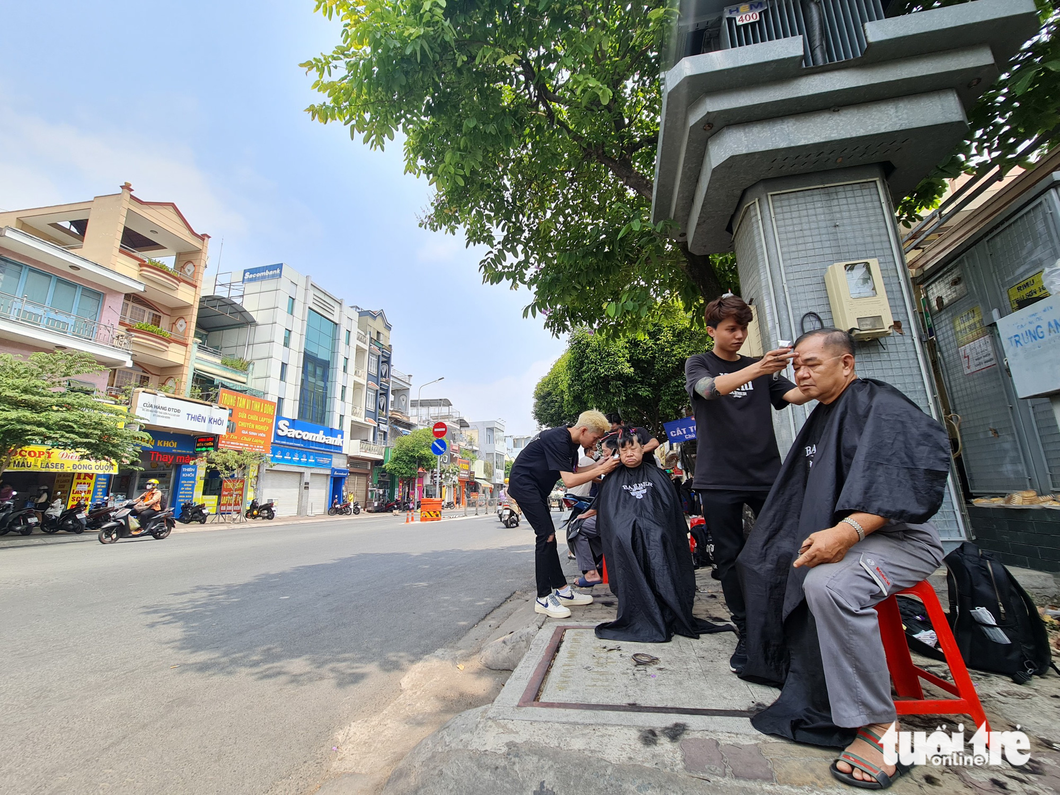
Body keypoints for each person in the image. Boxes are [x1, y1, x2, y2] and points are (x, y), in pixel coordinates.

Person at [735, 329, 951, 790]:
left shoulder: (876, 402)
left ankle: (879, 725)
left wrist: (850, 530)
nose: (802, 372)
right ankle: (798, 674)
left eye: (812, 363)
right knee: (763, 563)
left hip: (902, 540)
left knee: (826, 585)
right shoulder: (823, 415)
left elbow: (911, 470)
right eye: (797, 365)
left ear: (847, 364)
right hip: (853, 542)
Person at [684, 294, 810, 673]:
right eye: (731, 329)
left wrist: (819, 373)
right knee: (729, 556)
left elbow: (794, 395)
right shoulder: (699, 363)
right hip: (718, 478)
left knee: (784, 547)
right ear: (712, 331)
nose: (739, 335)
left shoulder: (762, 367)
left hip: (767, 474)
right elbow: (708, 390)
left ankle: (788, 620)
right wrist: (759, 371)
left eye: (744, 329)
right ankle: (745, 627)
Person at [594, 428, 733, 642]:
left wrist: (650, 526)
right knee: (623, 537)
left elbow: (670, 514)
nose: (630, 454)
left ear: (643, 449)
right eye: (624, 451)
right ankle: (640, 606)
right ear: (618, 455)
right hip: (625, 531)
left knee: (657, 537)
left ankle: (666, 600)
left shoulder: (657, 476)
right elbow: (609, 517)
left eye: (634, 449)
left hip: (657, 530)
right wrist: (628, 528)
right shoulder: (612, 480)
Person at [508, 410, 620, 618]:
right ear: (584, 430)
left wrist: (602, 467)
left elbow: (576, 472)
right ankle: (543, 598)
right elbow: (569, 481)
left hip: (538, 488)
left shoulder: (573, 444)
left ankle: (563, 591)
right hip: (524, 485)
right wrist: (600, 470)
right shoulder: (558, 438)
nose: (595, 443)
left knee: (549, 538)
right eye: (595, 438)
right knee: (546, 535)